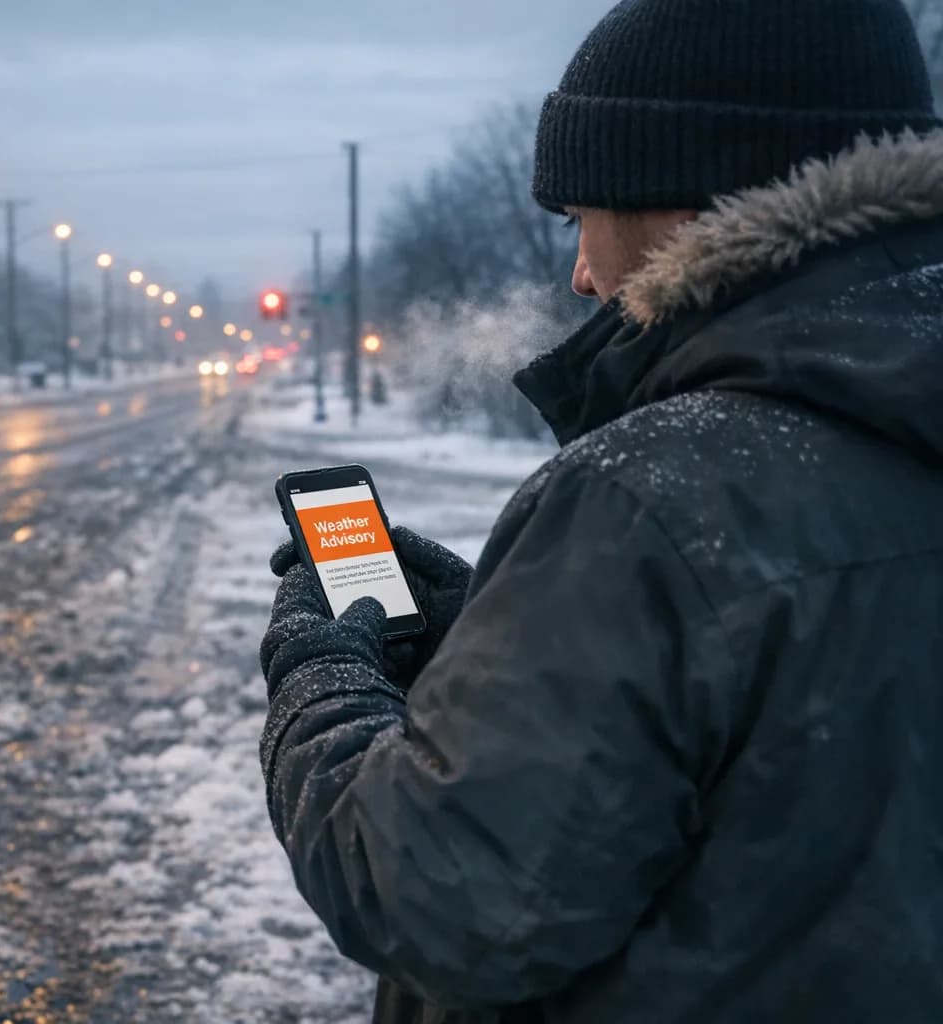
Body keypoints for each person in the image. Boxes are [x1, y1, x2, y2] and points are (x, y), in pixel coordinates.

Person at [258, 1, 943, 1021]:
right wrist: (501, 634)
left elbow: (443, 899)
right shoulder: (890, 419)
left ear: (682, 202)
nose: (581, 272)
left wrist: (321, 680)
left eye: (583, 217)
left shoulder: (650, 496)